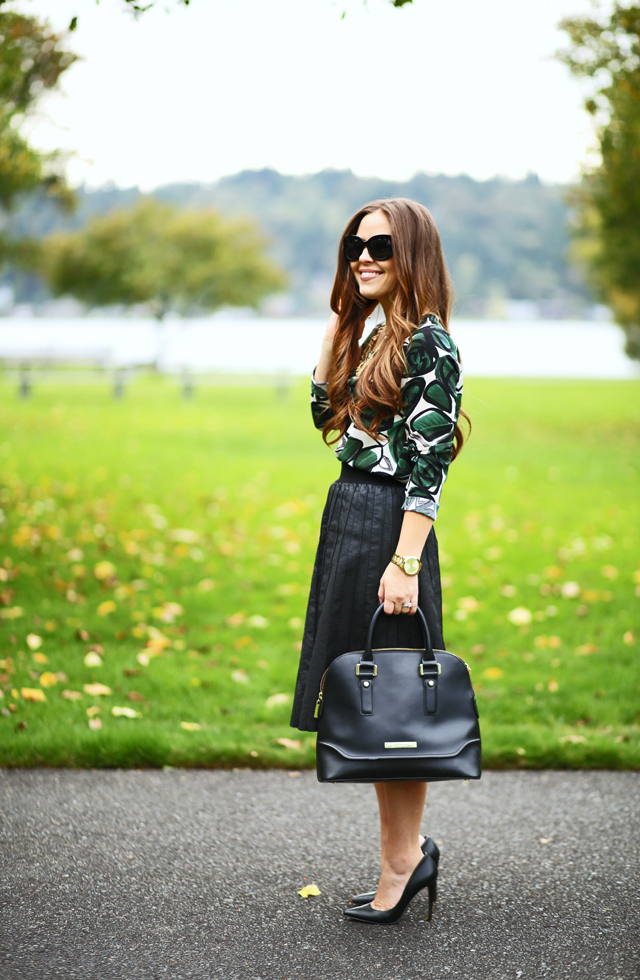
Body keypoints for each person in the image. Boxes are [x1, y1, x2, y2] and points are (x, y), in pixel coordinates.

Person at [290, 197, 469, 924]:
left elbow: (428, 467)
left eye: (381, 247)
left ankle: (404, 862)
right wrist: (341, 319)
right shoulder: (371, 340)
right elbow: (324, 415)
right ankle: (406, 853)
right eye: (355, 245)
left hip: (392, 526)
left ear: (413, 255)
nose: (364, 256)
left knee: (396, 701)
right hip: (350, 517)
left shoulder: (431, 345)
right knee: (374, 709)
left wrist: (405, 562)